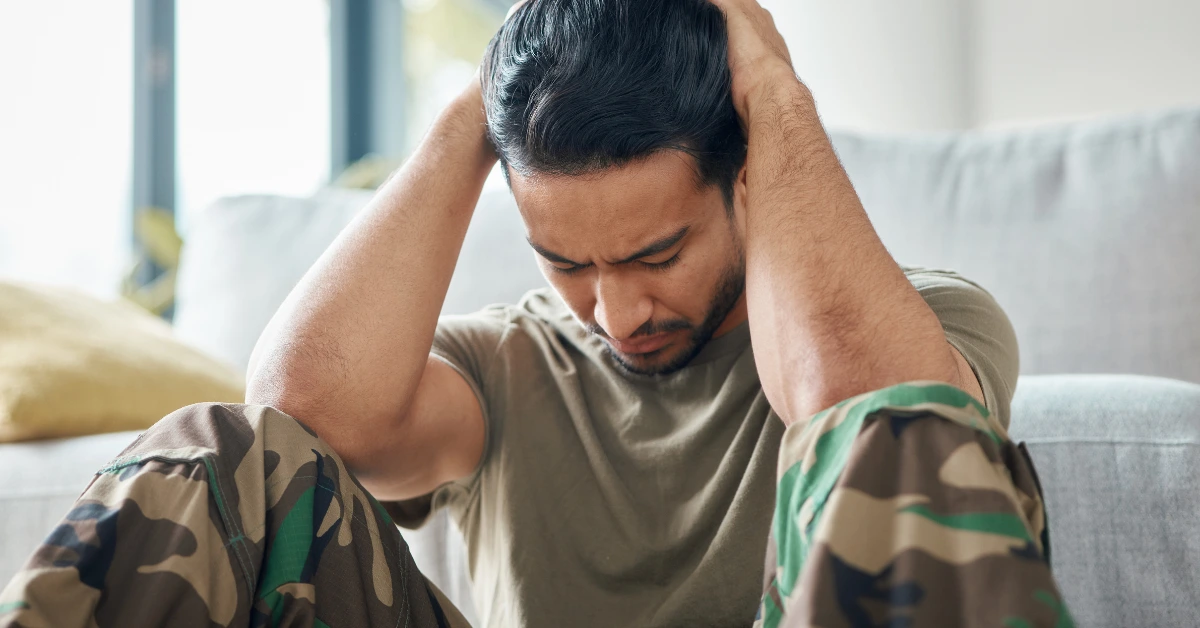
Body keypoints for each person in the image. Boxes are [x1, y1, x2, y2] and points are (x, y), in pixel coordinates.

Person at [0, 0, 1073, 626]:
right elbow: (296, 410)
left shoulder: (930, 324)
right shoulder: (510, 362)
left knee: (903, 427)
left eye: (657, 253)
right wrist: (486, 100)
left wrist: (775, 92)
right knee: (224, 448)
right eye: (567, 261)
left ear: (746, 180)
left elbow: (864, 407)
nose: (615, 309)